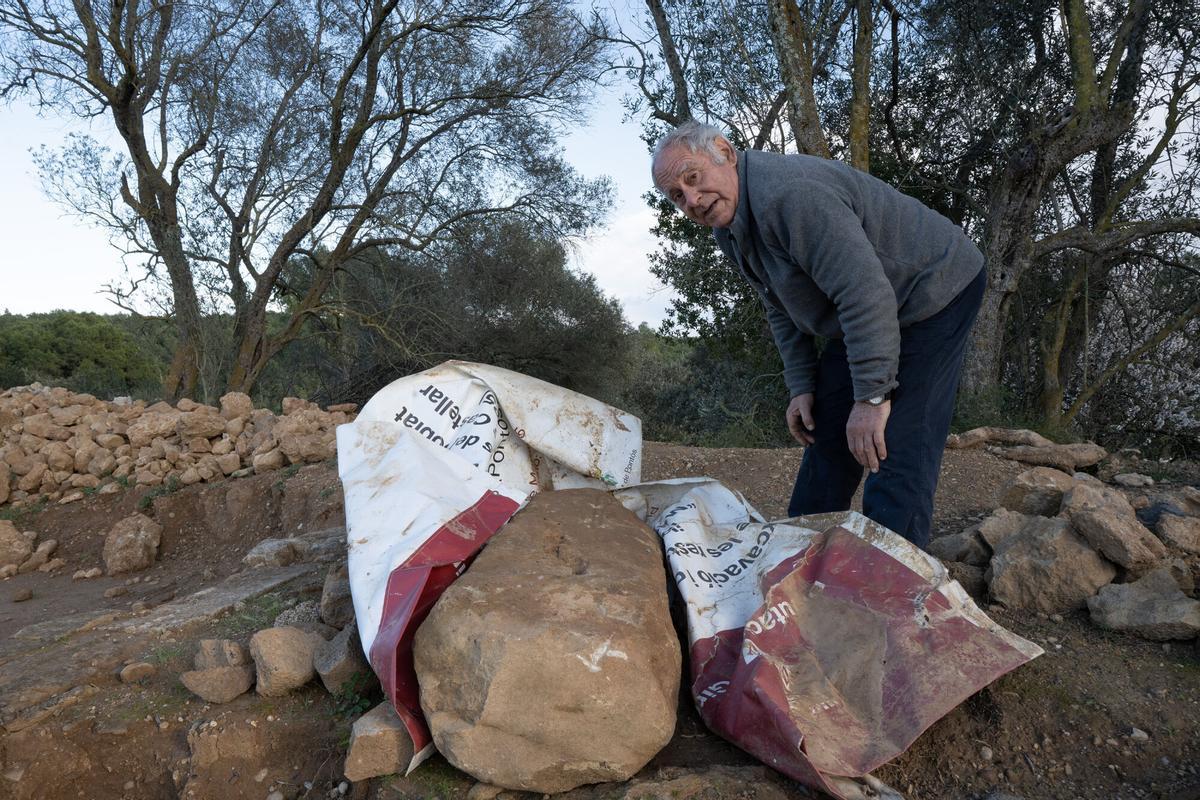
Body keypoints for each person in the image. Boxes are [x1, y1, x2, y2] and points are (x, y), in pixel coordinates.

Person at [650, 120, 986, 550]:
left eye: (693, 178)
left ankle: (891, 586)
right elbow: (779, 304)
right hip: (865, 305)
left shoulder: (792, 196)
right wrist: (802, 385)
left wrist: (872, 398)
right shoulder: (729, 227)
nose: (692, 200)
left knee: (894, 442)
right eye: (677, 195)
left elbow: (864, 293)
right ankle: (797, 557)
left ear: (724, 152)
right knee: (828, 429)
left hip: (933, 288)